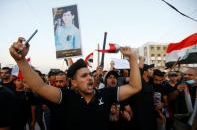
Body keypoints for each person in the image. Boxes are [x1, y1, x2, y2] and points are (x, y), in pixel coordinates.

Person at [9, 37, 141, 130]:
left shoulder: (105, 94)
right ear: (74, 83)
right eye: (84, 76)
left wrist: (133, 58)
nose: (90, 78)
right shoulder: (66, 96)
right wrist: (21, 61)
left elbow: (135, 87)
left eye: (90, 74)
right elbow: (39, 87)